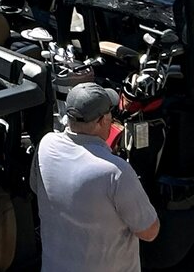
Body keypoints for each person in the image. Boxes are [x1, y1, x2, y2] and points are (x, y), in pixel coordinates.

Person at [32, 82, 159, 272]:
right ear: (101, 121)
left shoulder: (46, 145)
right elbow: (149, 232)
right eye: (110, 113)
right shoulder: (116, 172)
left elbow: (37, 187)